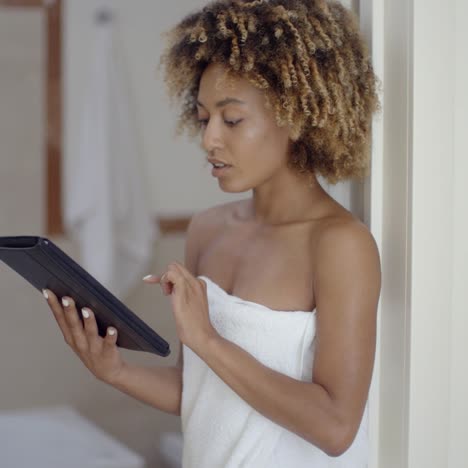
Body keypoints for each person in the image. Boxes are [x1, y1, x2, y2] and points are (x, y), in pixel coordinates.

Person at [44, 0, 381, 466]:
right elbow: (200, 391)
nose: (209, 140)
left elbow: (336, 426)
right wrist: (116, 371)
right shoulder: (208, 230)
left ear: (298, 114)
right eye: (203, 119)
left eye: (232, 119)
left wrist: (208, 340)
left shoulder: (341, 245)